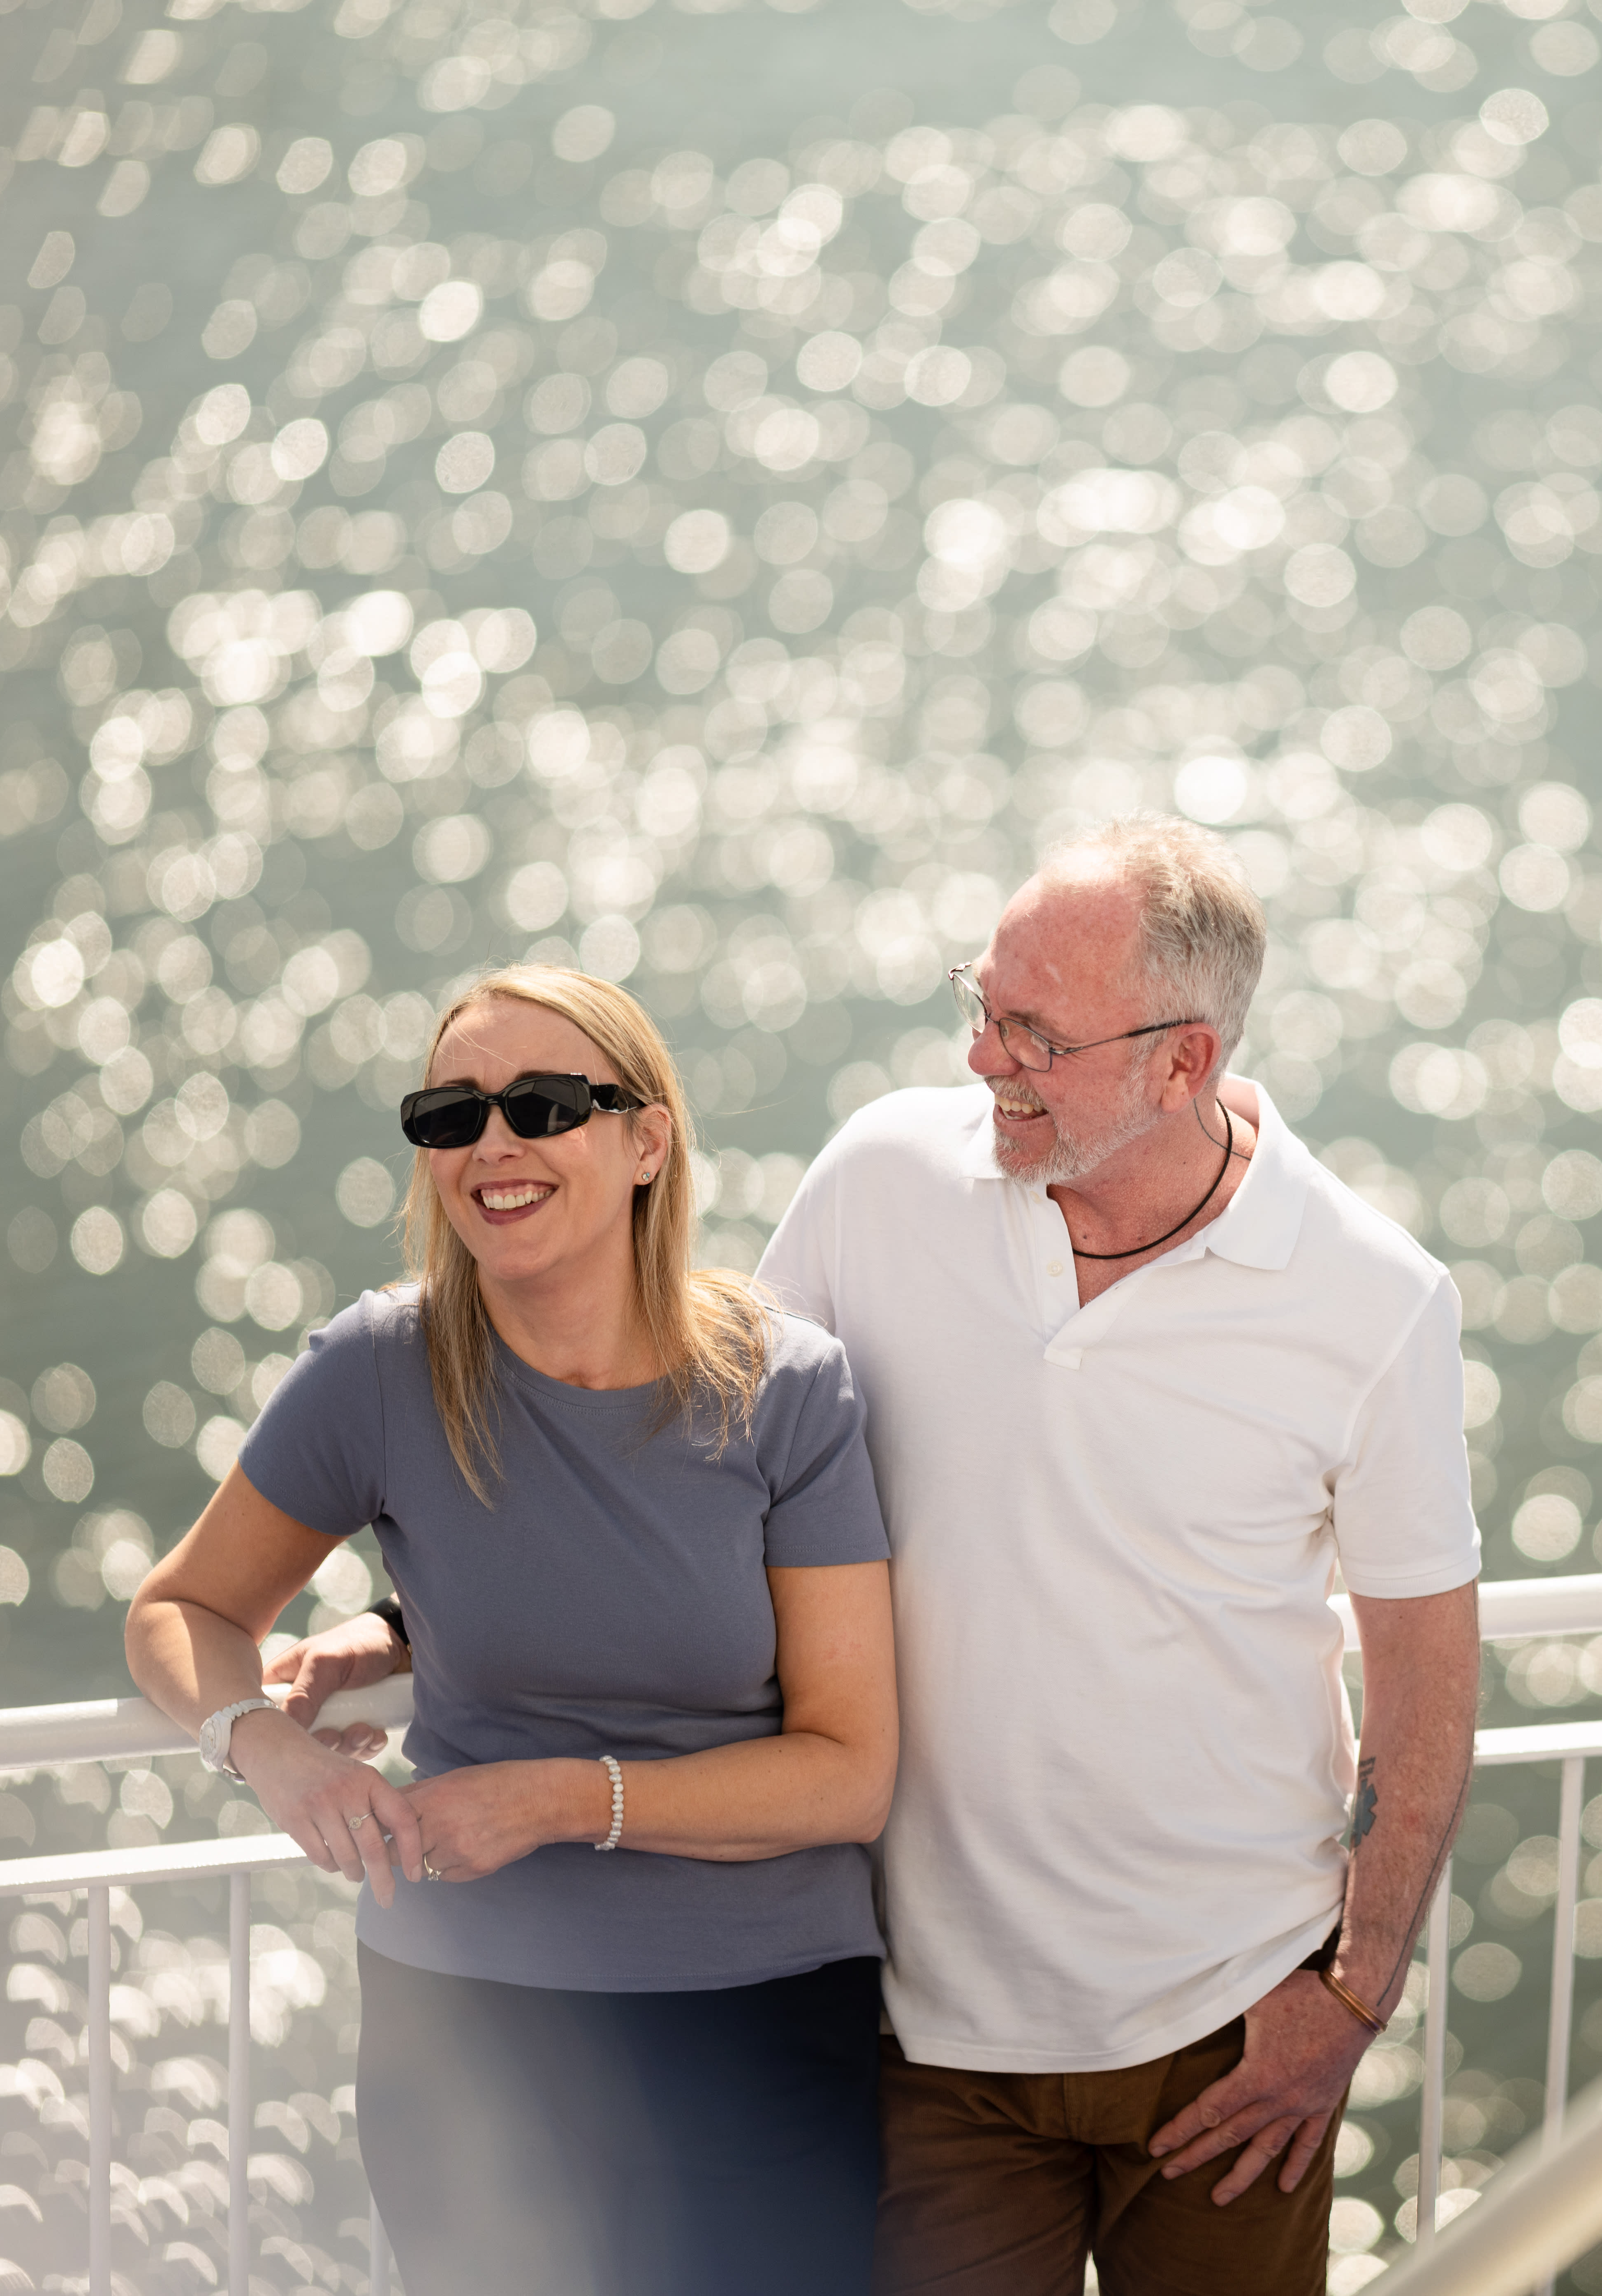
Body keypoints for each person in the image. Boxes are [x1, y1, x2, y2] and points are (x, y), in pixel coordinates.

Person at [283, 820, 1483, 2296]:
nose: (987, 1059)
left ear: (1184, 1063)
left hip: (1228, 2033)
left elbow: (1428, 1687)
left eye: (1036, 1034)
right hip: (927, 2031)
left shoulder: (1374, 1300)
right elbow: (692, 1467)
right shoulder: (883, 1178)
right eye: (981, 1005)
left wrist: (1351, 2001)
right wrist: (407, 1631)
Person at [126, 964, 898, 2296]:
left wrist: (556, 1802)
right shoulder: (379, 1369)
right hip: (468, 2034)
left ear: (646, 1140)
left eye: (544, 1105)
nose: (494, 1145)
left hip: (762, 2022)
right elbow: (182, 1610)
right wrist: (266, 1745)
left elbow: (848, 1770)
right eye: (450, 1116)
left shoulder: (788, 1389)